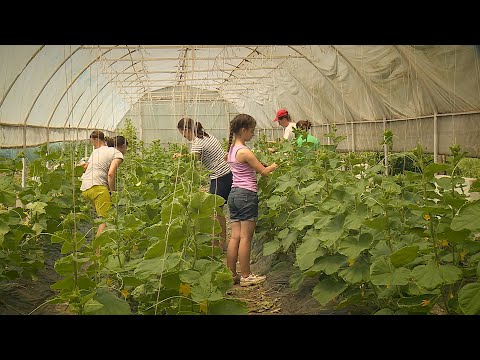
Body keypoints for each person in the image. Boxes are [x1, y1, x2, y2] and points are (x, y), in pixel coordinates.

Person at [226, 114, 278, 286]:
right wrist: (277, 164)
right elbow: (263, 171)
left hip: (234, 195)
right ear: (244, 130)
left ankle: (232, 274)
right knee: (246, 238)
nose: (253, 134)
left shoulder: (232, 149)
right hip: (246, 195)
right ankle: (246, 276)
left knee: (235, 237)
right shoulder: (245, 152)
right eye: (252, 131)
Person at [177, 118, 233, 251]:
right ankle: (221, 244)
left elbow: (192, 162)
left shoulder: (198, 142)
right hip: (227, 174)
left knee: (214, 212)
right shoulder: (207, 135)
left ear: (186, 130)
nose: (184, 137)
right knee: (217, 211)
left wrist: (180, 161)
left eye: (182, 133)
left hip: (220, 177)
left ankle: (216, 245)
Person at [80, 134, 128, 237]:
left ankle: (102, 246)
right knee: (106, 221)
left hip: (86, 188)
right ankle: (98, 252)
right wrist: (113, 192)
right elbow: (111, 174)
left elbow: (86, 167)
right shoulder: (118, 154)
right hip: (98, 188)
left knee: (101, 218)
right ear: (123, 146)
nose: (126, 150)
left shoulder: (98, 150)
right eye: (126, 147)